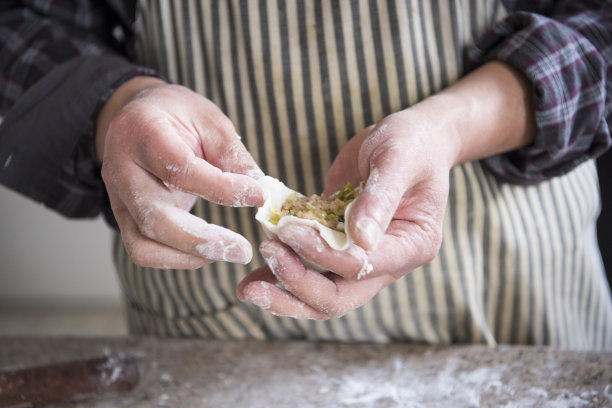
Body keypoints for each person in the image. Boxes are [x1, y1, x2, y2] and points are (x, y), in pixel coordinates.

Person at [1, 0, 611, 348]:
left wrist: (450, 127)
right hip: (221, 308)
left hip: (512, 282)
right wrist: (120, 106)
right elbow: (20, 22)